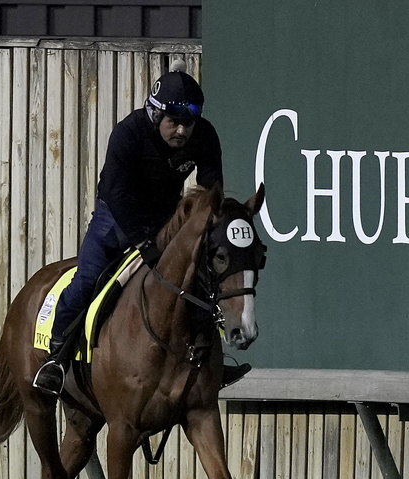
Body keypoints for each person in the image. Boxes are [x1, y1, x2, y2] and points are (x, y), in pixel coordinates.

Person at [33, 60, 250, 395]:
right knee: (88, 279)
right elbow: (116, 196)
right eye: (174, 122)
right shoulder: (128, 133)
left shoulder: (204, 135)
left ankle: (211, 363)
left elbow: (211, 190)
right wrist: (144, 244)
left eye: (188, 123)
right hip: (116, 218)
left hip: (166, 219)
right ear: (155, 115)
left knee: (198, 278)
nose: (182, 130)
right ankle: (55, 358)